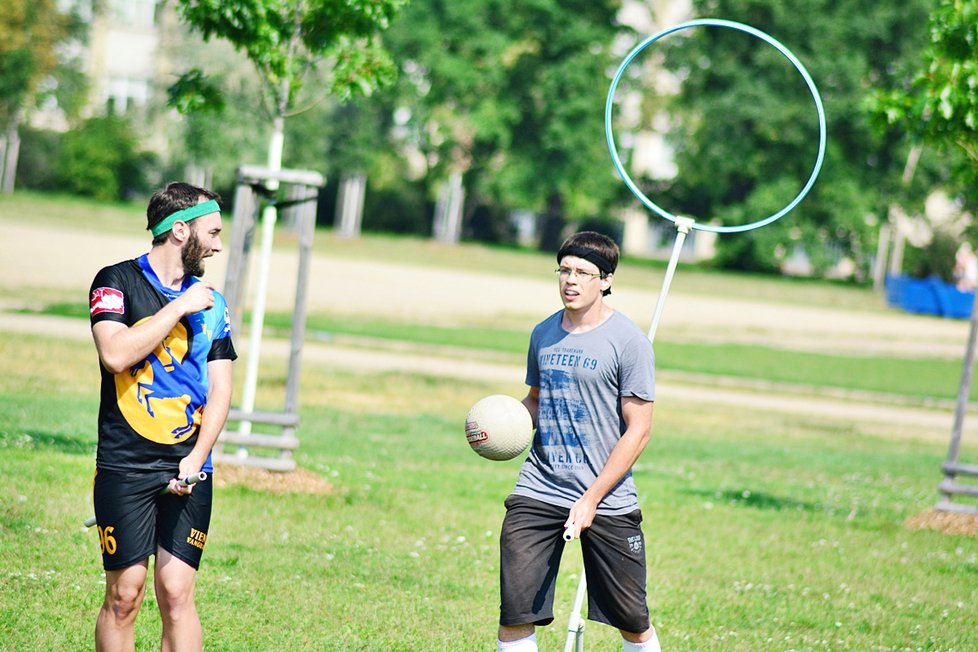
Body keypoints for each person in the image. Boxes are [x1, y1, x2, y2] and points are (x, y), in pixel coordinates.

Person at [89, 181, 237, 651]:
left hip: (190, 465)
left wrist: (197, 459)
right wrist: (178, 307)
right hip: (125, 462)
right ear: (178, 231)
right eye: (211, 232)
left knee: (176, 594)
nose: (217, 244)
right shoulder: (115, 282)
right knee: (124, 596)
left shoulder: (213, 303)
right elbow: (114, 355)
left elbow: (221, 389)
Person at [496, 231, 661, 652]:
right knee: (515, 612)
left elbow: (638, 430)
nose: (570, 280)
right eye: (564, 270)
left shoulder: (629, 341)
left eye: (583, 272)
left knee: (632, 619)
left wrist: (590, 499)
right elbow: (536, 401)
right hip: (540, 486)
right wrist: (502, 422)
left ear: (605, 280)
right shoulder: (543, 333)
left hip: (607, 497)